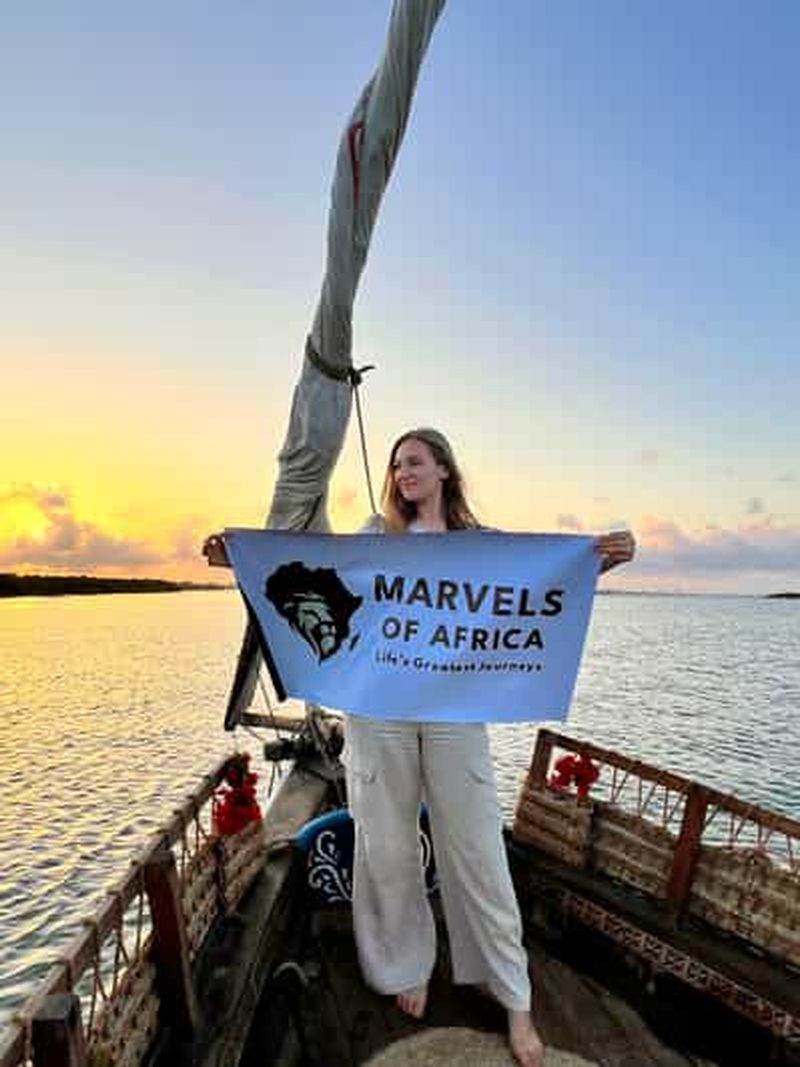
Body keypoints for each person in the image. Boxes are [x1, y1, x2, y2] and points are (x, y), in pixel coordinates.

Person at [202, 428, 636, 1067]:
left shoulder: (477, 547)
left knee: (478, 845)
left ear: (443, 471)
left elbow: (541, 580)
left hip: (455, 712)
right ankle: (406, 964)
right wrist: (240, 558)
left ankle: (513, 997)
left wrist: (601, 558)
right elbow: (315, 568)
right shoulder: (377, 535)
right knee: (388, 842)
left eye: (415, 463)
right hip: (378, 712)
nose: (404, 473)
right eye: (398, 464)